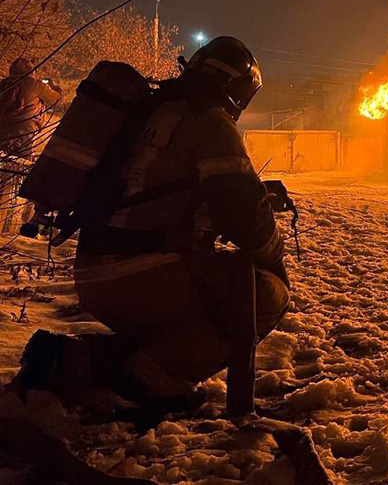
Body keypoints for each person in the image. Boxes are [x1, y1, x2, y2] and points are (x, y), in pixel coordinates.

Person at [10, 37, 289, 413]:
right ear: (239, 90)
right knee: (266, 294)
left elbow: (159, 188)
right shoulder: (209, 119)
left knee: (182, 321)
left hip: (96, 273)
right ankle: (150, 385)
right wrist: (273, 254)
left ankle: (67, 359)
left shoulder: (147, 112)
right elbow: (243, 213)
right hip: (146, 275)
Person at [0, 57, 61, 159]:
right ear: (31, 69)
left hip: (3, 127)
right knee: (22, 161)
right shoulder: (35, 84)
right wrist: (54, 87)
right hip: (24, 130)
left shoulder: (4, 84)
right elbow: (57, 99)